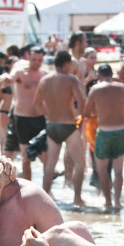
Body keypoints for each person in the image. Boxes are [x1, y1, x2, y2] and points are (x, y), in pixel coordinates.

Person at [34, 50, 86, 206]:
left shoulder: (44, 80)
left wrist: (48, 114)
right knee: (80, 163)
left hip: (52, 125)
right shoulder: (70, 79)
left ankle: (44, 200)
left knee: (50, 165)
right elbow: (81, 101)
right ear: (66, 64)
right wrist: (79, 116)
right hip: (68, 124)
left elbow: (36, 104)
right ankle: (77, 199)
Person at [84, 63, 124, 212]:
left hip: (104, 131)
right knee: (118, 171)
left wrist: (99, 113)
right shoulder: (122, 88)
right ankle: (118, 201)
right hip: (120, 131)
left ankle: (108, 201)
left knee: (102, 170)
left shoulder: (95, 89)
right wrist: (122, 110)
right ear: (111, 74)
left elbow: (87, 113)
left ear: (99, 76)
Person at [11, 46, 48, 180]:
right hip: (22, 119)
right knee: (26, 158)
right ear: (28, 58)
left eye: (39, 60)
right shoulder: (21, 72)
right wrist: (5, 79)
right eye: (34, 59)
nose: (36, 62)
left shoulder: (44, 75)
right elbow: (10, 78)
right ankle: (28, 188)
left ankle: (47, 190)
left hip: (40, 118)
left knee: (45, 157)